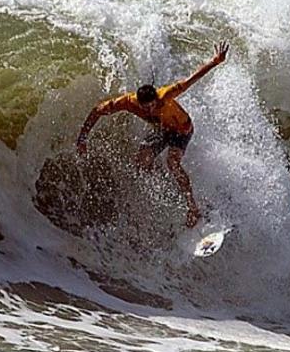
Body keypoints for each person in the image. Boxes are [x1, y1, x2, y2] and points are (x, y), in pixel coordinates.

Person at [75, 41, 230, 228]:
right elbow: (97, 111)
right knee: (140, 162)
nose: (149, 109)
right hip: (162, 130)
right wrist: (83, 137)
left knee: (172, 162)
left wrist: (215, 61)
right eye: (144, 107)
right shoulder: (128, 102)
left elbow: (192, 79)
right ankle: (164, 186)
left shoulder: (165, 94)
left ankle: (193, 208)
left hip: (182, 130)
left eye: (152, 105)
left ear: (156, 98)